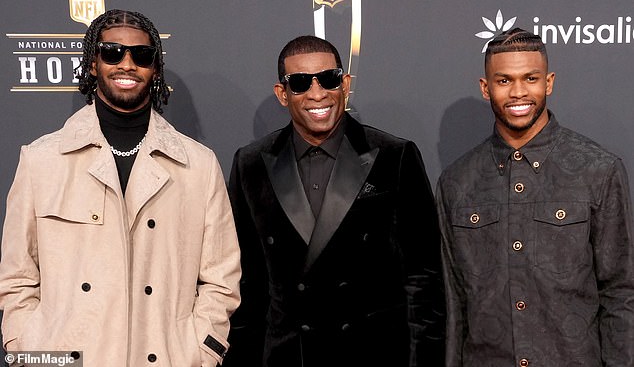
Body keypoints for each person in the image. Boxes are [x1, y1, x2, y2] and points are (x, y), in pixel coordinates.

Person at [0, 9, 241, 366]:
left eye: (142, 55)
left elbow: (221, 278)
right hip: (69, 359)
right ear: (93, 63)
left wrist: (202, 352)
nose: (126, 64)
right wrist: (30, 349)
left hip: (166, 357)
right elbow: (17, 276)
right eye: (112, 52)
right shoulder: (41, 160)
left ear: (155, 68)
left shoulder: (198, 165)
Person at [224, 35, 445, 367]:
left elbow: (424, 280)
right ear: (282, 94)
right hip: (287, 356)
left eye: (328, 79)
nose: (317, 94)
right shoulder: (251, 164)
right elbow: (246, 285)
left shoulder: (394, 157)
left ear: (345, 83)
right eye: (300, 83)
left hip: (373, 354)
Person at [436, 27, 634, 366]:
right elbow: (454, 304)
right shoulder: (457, 181)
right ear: (485, 88)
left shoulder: (598, 170)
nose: (518, 92)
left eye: (530, 78)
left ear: (549, 82)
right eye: (503, 81)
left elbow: (621, 293)